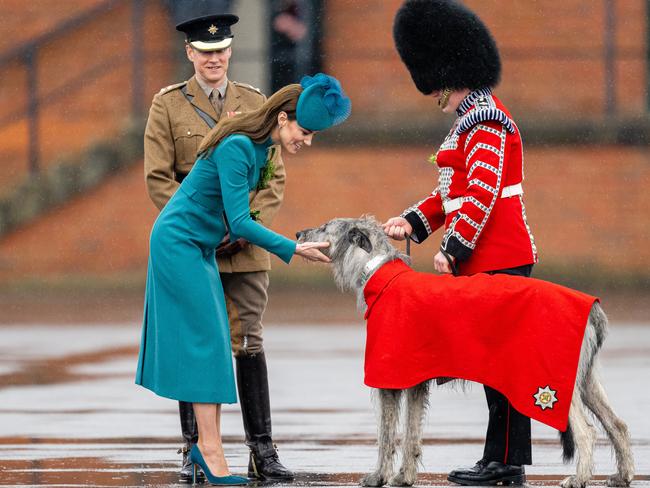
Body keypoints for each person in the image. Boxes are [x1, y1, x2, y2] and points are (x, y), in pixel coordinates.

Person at [136, 73, 351, 486]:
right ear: (284, 118)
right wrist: (292, 248)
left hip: (198, 247)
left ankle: (207, 449)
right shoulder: (238, 147)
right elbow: (238, 221)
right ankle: (209, 451)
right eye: (304, 132)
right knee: (206, 345)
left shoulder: (259, 147)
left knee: (214, 345)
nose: (306, 141)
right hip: (178, 244)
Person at [384, 0, 538, 485]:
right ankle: (498, 457)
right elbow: (451, 193)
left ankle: (508, 461)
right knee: (493, 366)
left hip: (502, 256)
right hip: (488, 258)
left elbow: (483, 195)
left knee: (505, 366)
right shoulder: (468, 122)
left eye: (438, 89)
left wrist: (454, 250)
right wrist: (413, 220)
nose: (437, 97)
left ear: (452, 75)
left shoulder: (487, 120)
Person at [143, 13, 294, 483]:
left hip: (245, 244)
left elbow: (273, 179)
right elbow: (159, 178)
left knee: (247, 338)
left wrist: (245, 226)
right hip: (195, 241)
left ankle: (262, 450)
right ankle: (195, 449)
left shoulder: (255, 102)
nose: (214, 59)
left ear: (230, 52)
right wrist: (210, 224)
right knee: (194, 340)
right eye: (205, 52)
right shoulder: (167, 106)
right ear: (190, 53)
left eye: (222, 50)